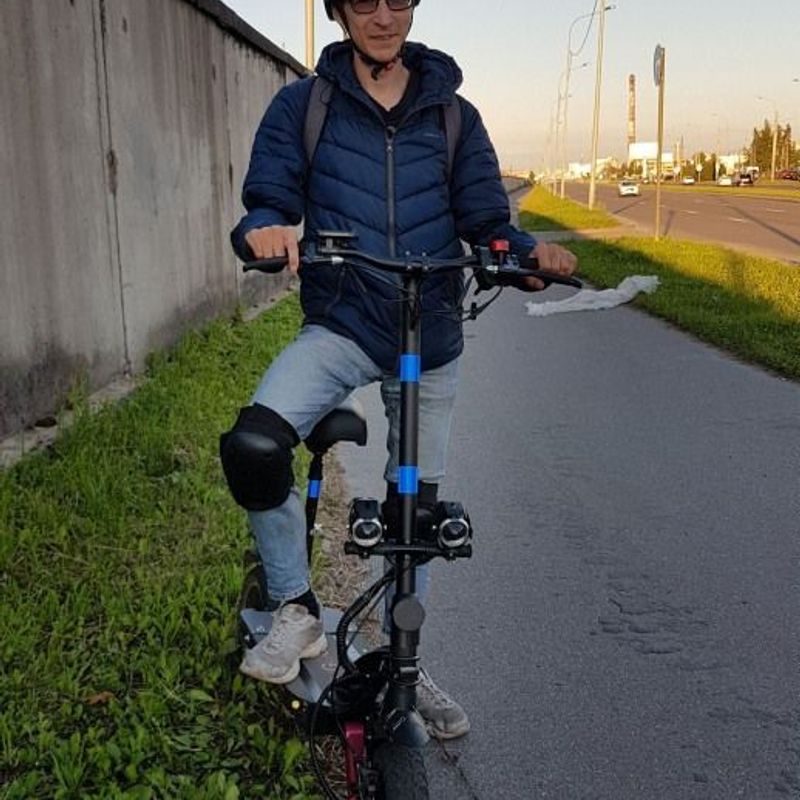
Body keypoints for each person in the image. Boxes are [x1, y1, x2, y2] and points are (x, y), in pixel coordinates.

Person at [221, 0, 577, 740]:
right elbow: (271, 195)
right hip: (345, 323)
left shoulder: (454, 114)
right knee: (253, 446)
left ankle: (400, 660)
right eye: (364, 0)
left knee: (415, 513)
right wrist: (266, 226)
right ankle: (296, 609)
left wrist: (522, 253)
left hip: (432, 331)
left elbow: (486, 216)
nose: (383, 15)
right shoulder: (304, 105)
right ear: (339, 10)